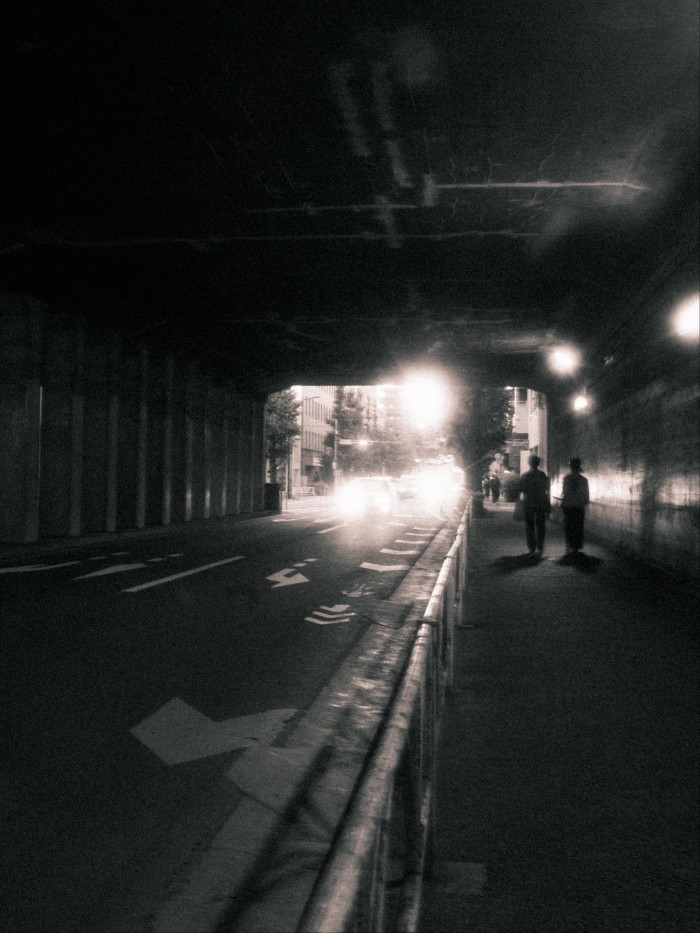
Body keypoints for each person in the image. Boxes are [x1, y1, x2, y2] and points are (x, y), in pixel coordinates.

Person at [518, 455, 551, 555]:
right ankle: (540, 547)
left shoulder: (525, 475)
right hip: (541, 502)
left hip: (528, 503)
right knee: (541, 525)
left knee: (529, 526)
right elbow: (547, 489)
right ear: (538, 463)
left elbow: (521, 489)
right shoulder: (542, 475)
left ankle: (531, 547)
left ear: (529, 463)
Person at [561, 457, 590, 554]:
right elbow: (586, 495)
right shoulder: (583, 480)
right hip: (579, 506)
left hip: (568, 505)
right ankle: (576, 547)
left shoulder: (567, 478)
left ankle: (569, 545)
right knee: (578, 527)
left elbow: (564, 492)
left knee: (568, 526)